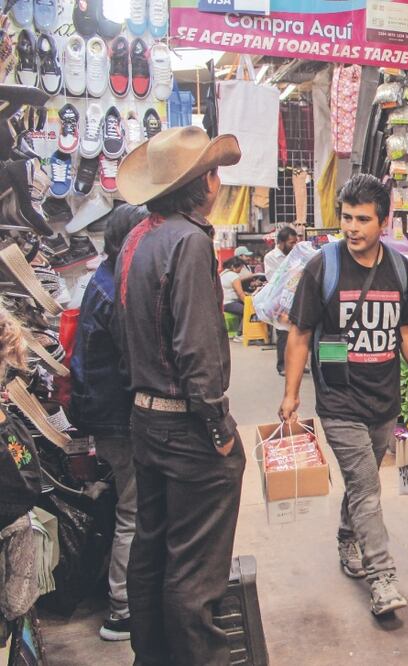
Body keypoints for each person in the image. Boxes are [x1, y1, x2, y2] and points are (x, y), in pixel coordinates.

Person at [279, 174, 408, 616]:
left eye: (363, 219)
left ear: (383, 222)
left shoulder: (399, 269)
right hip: (339, 400)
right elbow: (300, 334)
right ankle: (383, 578)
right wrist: (291, 394)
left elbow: (407, 330)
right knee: (367, 487)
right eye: (347, 217)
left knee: (361, 482)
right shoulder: (323, 266)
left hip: (383, 399)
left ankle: (347, 538)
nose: (352, 227)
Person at [113, 125, 245, 665]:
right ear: (205, 183)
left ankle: (153, 658)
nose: (218, 181)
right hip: (185, 426)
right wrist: (218, 429)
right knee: (194, 574)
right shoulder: (189, 241)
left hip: (146, 419)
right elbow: (197, 351)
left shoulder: (138, 236)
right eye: (214, 172)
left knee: (152, 551)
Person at [68, 204, 146, 642]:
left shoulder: (105, 278)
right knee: (133, 511)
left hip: (104, 414)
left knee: (130, 506)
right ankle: (121, 609)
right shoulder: (117, 286)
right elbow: (127, 363)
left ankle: (124, 596)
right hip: (118, 419)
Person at [265, 227, 300, 375]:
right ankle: (283, 365)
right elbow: (273, 278)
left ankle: (297, 364)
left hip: (295, 296)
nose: (294, 245)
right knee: (283, 333)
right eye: (291, 243)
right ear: (281, 242)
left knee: (297, 332)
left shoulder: (296, 255)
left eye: (295, 242)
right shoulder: (271, 257)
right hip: (279, 300)